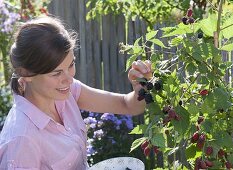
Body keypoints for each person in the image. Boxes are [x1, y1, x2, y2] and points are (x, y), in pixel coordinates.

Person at [0, 16, 152, 169]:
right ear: (26, 74)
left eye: (71, 65)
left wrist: (141, 89)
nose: (69, 79)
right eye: (56, 73)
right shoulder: (21, 140)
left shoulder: (65, 92)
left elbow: (127, 105)